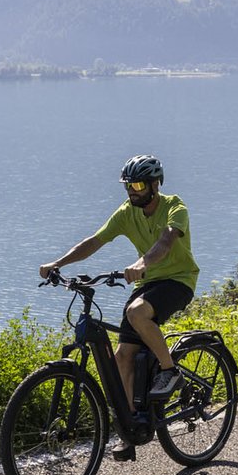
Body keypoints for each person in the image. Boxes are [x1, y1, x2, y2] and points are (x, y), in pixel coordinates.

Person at [39, 155, 199, 444]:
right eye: (128, 186)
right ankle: (131, 426)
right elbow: (94, 241)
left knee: (137, 312)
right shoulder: (127, 212)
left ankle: (170, 371)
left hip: (178, 280)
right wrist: (58, 264)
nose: (131, 191)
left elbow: (165, 242)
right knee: (123, 356)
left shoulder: (175, 206)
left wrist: (141, 264)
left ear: (154, 184)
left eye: (137, 184)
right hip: (149, 283)